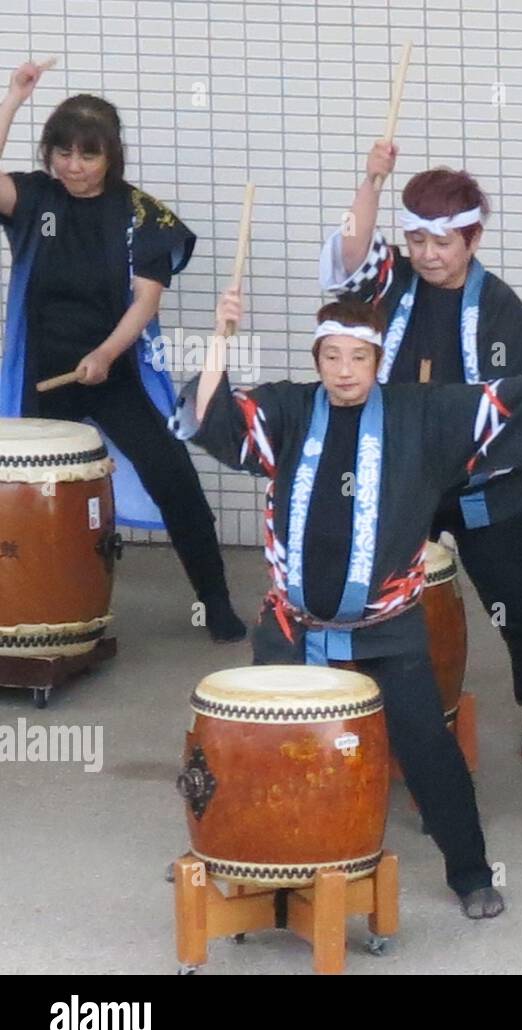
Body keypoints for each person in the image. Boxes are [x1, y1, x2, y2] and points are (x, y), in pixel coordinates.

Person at [171, 288, 522, 916]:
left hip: (387, 626)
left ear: (378, 359)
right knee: (255, 747)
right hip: (294, 624)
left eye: (358, 357)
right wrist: (220, 337)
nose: (344, 371)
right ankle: (236, 855)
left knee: (426, 745)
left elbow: (491, 404)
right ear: (317, 359)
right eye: (332, 356)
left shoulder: (419, 413)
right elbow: (214, 422)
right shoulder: (288, 407)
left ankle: (470, 872)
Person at [318, 146, 522, 759]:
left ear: (473, 237)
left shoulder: (502, 308)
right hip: (400, 471)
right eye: (418, 241)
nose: (428, 255)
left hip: (483, 479)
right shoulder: (391, 282)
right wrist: (373, 179)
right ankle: (366, 701)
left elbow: (513, 399)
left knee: (516, 599)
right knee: (368, 589)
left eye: (444, 243)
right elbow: (349, 251)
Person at [0, 61, 245, 640]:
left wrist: (107, 354)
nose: (72, 166)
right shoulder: (36, 198)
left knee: (172, 475)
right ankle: (25, 603)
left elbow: (145, 302)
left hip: (114, 373)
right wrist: (12, 98)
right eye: (61, 152)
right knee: (20, 491)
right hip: (41, 375)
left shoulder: (142, 215)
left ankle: (215, 599)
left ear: (112, 155)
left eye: (87, 154)